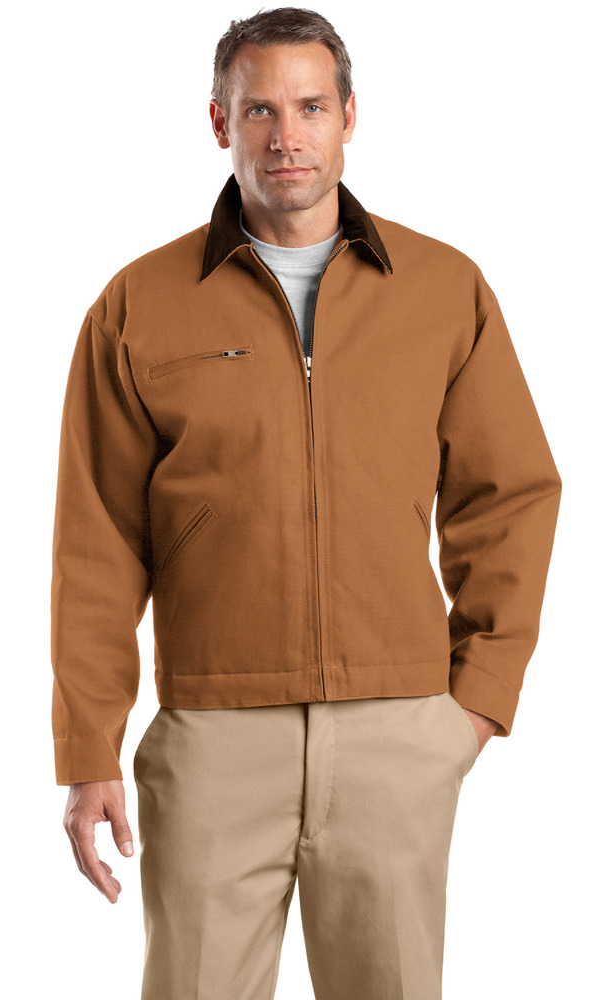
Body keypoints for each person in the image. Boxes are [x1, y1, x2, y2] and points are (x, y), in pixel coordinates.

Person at [51, 8, 562, 998]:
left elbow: (509, 496)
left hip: (398, 731)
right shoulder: (138, 305)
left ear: (349, 116)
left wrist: (475, 702)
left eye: (311, 107)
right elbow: (95, 540)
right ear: (218, 122)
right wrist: (87, 749)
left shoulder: (443, 288)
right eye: (260, 111)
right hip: (212, 738)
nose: (286, 135)